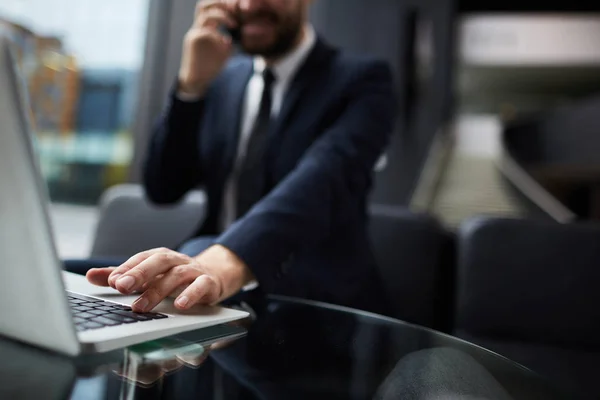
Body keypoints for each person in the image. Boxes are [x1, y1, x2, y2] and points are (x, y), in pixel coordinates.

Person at [81, 0, 397, 315]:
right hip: (207, 278)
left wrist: (226, 260)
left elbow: (324, 177)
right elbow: (164, 188)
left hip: (314, 300)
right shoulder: (224, 78)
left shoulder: (363, 79)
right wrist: (192, 87)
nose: (248, 5)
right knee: (71, 279)